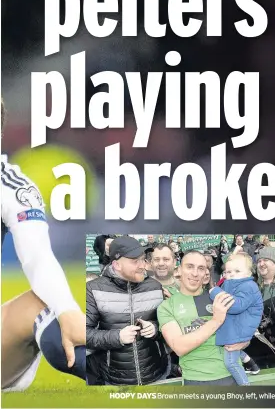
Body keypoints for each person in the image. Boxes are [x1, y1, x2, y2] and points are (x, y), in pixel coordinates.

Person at [1, 152, 86, 392]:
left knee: (42, 306)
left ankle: (140, 370)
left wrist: (67, 311)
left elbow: (37, 257)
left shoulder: (10, 187)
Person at [86, 236, 168, 385]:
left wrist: (155, 329)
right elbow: (83, 334)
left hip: (156, 373)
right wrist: (117, 337)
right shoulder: (93, 289)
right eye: (135, 261)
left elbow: (168, 325)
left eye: (143, 259)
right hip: (115, 380)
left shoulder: (155, 286)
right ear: (117, 265)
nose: (143, 265)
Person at [158, 250, 248, 385]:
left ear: (206, 273)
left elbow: (247, 334)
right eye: (189, 267)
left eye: (200, 268)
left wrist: (244, 341)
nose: (195, 273)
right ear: (179, 270)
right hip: (196, 381)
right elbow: (179, 347)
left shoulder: (220, 298)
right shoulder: (166, 307)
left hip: (232, 376)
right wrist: (216, 320)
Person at [209, 253, 263, 385]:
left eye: (237, 271)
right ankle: (252, 365)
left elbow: (235, 306)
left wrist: (215, 292)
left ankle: (245, 386)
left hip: (241, 327)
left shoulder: (249, 286)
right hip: (236, 324)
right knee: (229, 347)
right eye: (228, 271)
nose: (231, 274)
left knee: (231, 363)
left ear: (248, 272)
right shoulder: (230, 283)